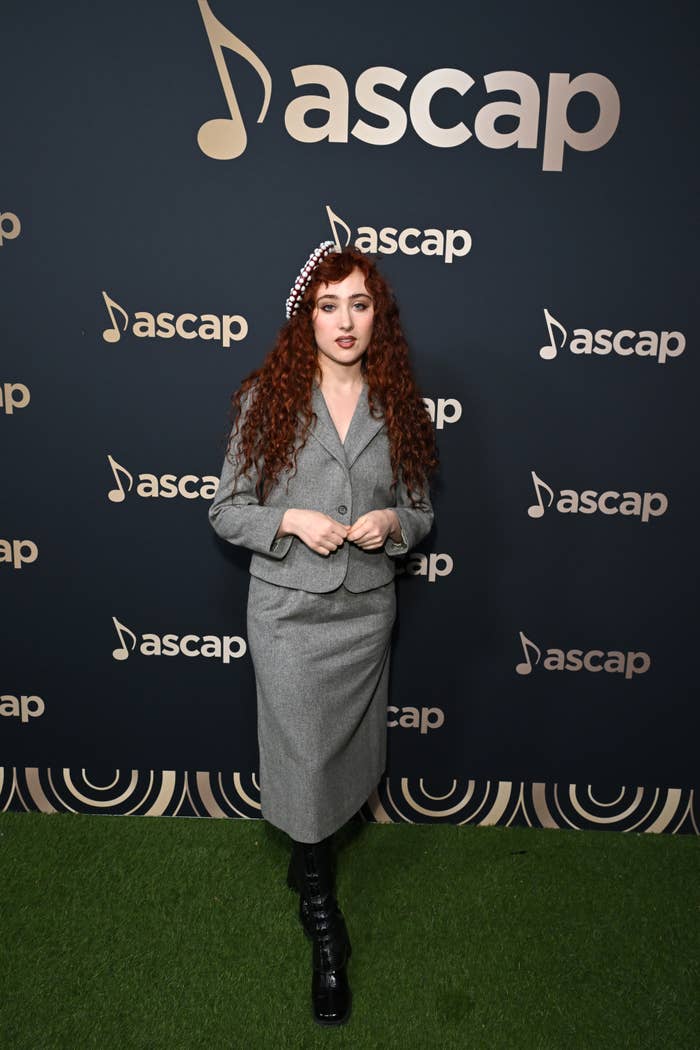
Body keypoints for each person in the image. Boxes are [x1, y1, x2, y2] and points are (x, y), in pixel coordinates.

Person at [207, 241, 437, 1026]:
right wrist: (291, 519)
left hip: (365, 614)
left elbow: (421, 512)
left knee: (346, 760)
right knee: (303, 759)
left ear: (380, 317)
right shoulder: (265, 398)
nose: (345, 321)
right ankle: (324, 926)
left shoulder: (399, 402)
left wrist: (390, 524)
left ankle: (310, 860)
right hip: (289, 616)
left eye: (360, 305)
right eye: (328, 305)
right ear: (305, 315)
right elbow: (226, 510)